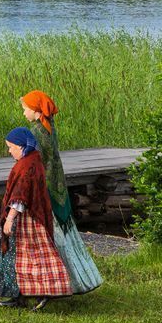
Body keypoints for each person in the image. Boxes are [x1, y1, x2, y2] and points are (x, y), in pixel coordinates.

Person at [20, 90, 103, 294]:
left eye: (25, 109)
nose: (24, 113)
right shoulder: (50, 127)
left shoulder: (36, 132)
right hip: (58, 184)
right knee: (64, 232)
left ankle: (57, 282)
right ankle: (80, 277)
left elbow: (33, 162)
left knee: (50, 233)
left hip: (46, 186)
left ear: (36, 111)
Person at [0, 126, 72, 310]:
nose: (9, 151)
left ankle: (43, 293)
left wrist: (9, 219)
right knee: (21, 257)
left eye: (11, 147)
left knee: (29, 257)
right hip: (35, 217)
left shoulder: (26, 166)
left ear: (21, 146)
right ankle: (18, 296)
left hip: (28, 221)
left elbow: (20, 197)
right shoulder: (34, 160)